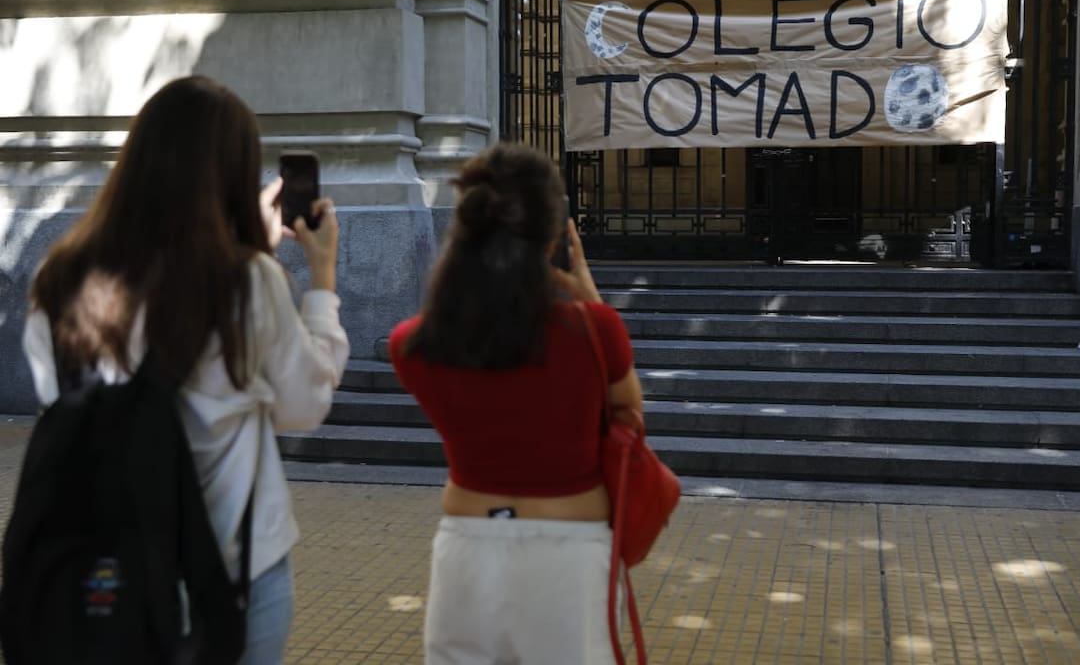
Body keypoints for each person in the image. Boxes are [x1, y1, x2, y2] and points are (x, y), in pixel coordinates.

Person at [21, 75, 349, 664]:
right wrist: (319, 283)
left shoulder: (60, 276)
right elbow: (304, 407)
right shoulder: (248, 283)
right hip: (228, 579)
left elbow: (67, 408)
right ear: (230, 176)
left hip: (102, 571)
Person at [388, 143, 644, 665]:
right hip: (570, 556)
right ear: (556, 238)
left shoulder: (413, 345)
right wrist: (588, 293)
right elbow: (631, 416)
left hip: (467, 550)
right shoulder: (596, 332)